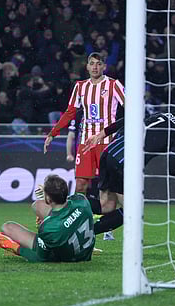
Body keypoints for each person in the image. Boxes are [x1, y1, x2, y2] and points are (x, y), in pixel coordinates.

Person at [84, 96, 175, 234]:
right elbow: (172, 168)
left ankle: (65, 202)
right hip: (126, 161)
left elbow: (130, 119)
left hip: (109, 152)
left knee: (106, 205)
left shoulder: (163, 114)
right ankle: (87, 233)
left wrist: (102, 134)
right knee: (133, 211)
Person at [43, 52, 125, 216]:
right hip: (86, 142)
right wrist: (53, 133)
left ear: (104, 66)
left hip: (107, 142)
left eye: (99, 63)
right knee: (80, 184)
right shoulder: (80, 87)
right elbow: (70, 112)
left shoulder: (114, 85)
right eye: (92, 63)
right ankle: (76, 219)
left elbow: (131, 107)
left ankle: (118, 221)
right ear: (87, 66)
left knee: (109, 187)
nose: (95, 67)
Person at [0, 174, 96, 262]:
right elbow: (65, 201)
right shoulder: (82, 200)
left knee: (7, 227)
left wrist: (16, 248)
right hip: (86, 252)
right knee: (37, 205)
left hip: (69, 257)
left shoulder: (49, 228)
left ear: (48, 198)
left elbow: (40, 257)